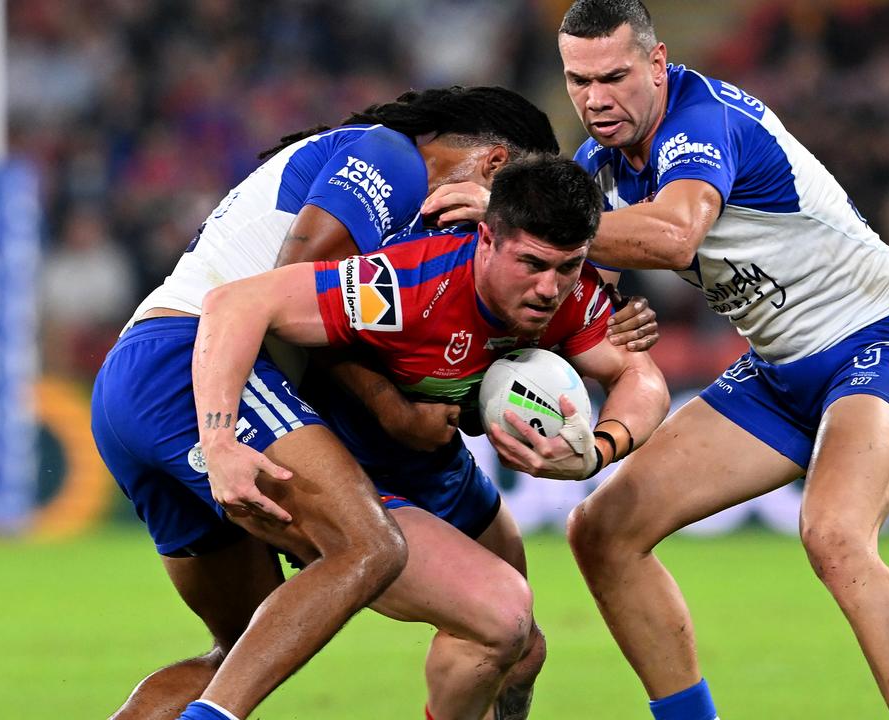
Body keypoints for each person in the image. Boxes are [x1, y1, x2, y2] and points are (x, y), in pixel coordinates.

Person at [92, 88, 652, 720]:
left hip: (150, 381)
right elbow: (289, 282)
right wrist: (390, 406)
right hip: (195, 365)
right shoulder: (391, 158)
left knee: (248, 643)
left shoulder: (442, 237)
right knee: (370, 549)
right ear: (497, 168)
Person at [554, 2, 889, 720]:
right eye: (578, 81)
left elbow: (675, 236)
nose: (595, 99)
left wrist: (538, 224)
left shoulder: (703, 120)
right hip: (776, 372)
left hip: (879, 341)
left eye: (613, 76)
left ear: (657, 63)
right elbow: (583, 306)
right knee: (602, 531)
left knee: (834, 534)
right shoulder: (598, 171)